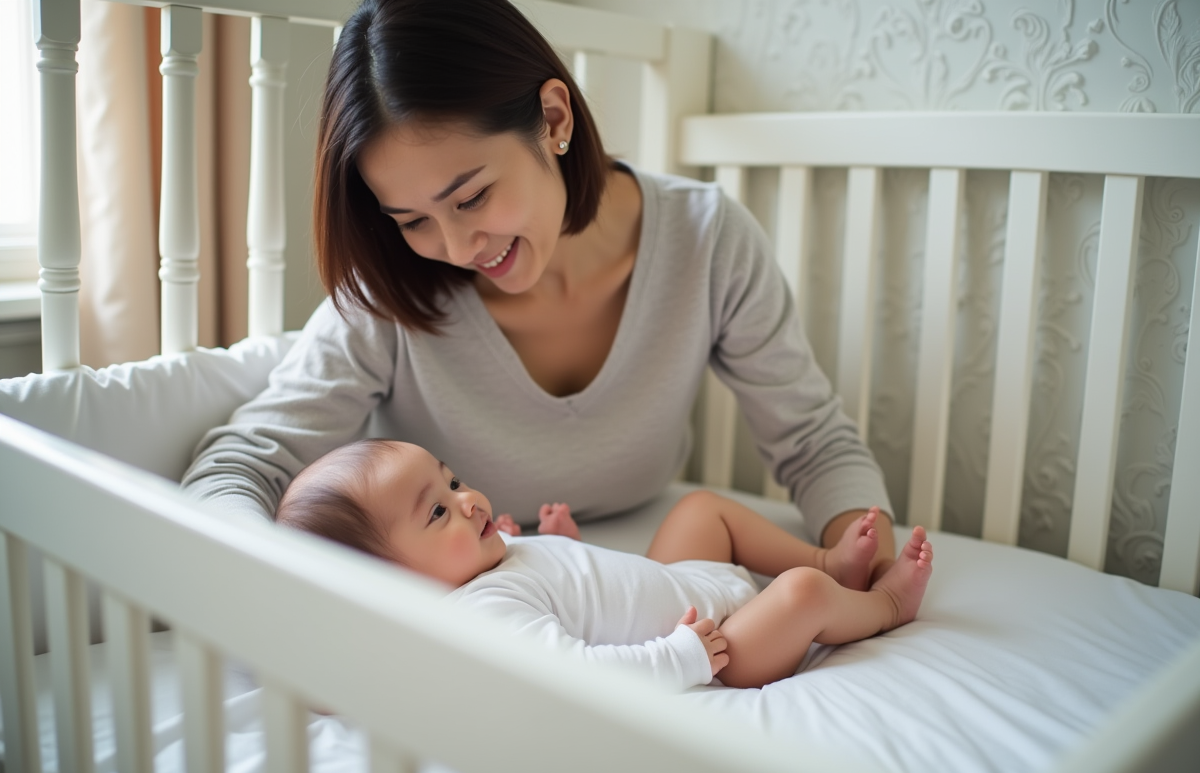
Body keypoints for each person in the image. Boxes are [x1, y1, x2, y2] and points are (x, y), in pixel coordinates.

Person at [181, 0, 899, 578]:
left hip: (640, 562)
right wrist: (268, 584)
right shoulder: (388, 292)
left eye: (470, 197)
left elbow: (812, 442)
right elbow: (244, 461)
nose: (458, 249)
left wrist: (866, 552)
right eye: (411, 220)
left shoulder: (708, 241)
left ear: (554, 118)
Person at [275, 440, 934, 691]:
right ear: (392, 587)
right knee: (798, 595)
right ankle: (883, 605)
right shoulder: (483, 613)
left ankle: (828, 558)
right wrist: (683, 658)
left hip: (682, 584)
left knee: (702, 510)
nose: (467, 500)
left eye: (453, 481)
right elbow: (579, 671)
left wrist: (564, 542)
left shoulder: (487, 563)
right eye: (438, 513)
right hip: (727, 643)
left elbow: (581, 594)